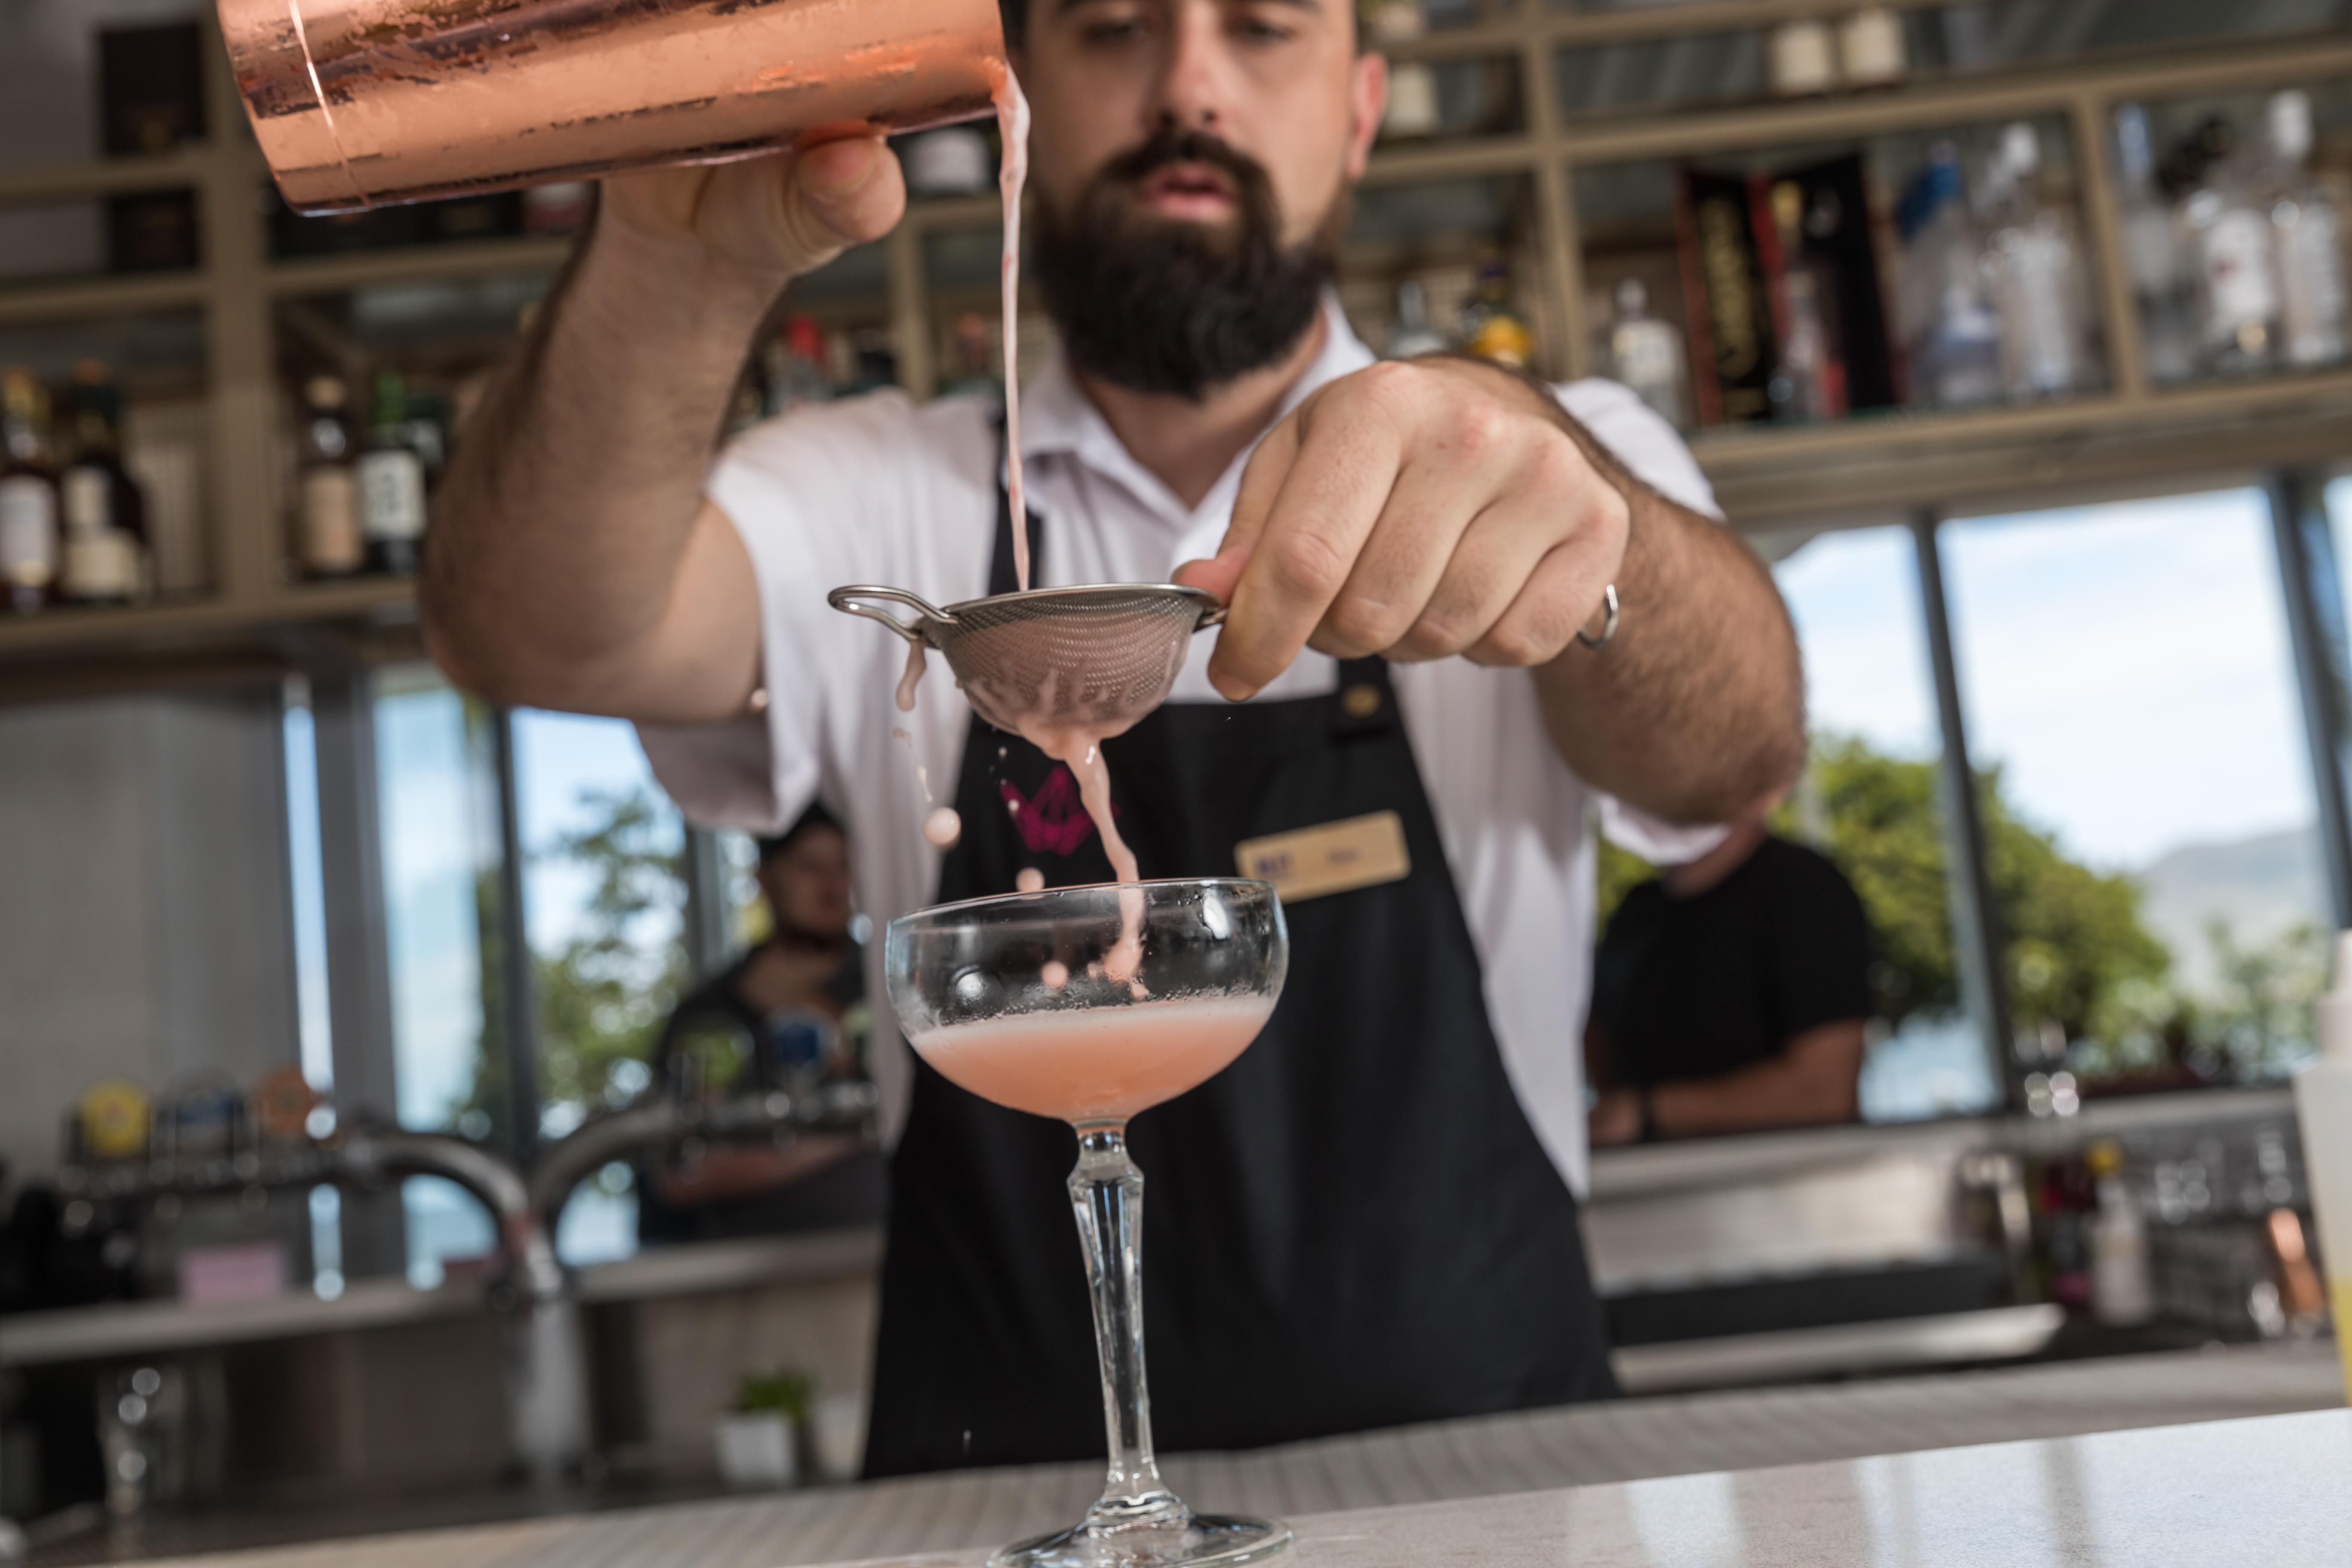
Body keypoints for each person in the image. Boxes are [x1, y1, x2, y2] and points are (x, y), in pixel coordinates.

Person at [422, 0, 1806, 1475]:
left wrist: (1583, 536)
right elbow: (537, 633)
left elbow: (1738, 753)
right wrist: (670, 260)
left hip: (1499, 1492)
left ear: (1358, 109)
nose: (1188, 85)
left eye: (1264, 27)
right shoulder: (881, 493)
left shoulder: (1545, 451)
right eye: (1115, 26)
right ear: (1013, 93)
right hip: (997, 1511)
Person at [637, 805, 885, 1243]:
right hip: (750, 1272)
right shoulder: (712, 1015)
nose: (832, 885)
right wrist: (866, 1134)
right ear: (765, 880)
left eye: (844, 866)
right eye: (810, 867)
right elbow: (680, 1175)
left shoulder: (894, 985)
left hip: (894, 1253)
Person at [1586, 818, 1872, 1147]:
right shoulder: (1635, 914)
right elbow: (1604, 1064)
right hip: (1656, 1183)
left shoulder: (1802, 886)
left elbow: (1825, 1097)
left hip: (1777, 1186)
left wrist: (1648, 1111)